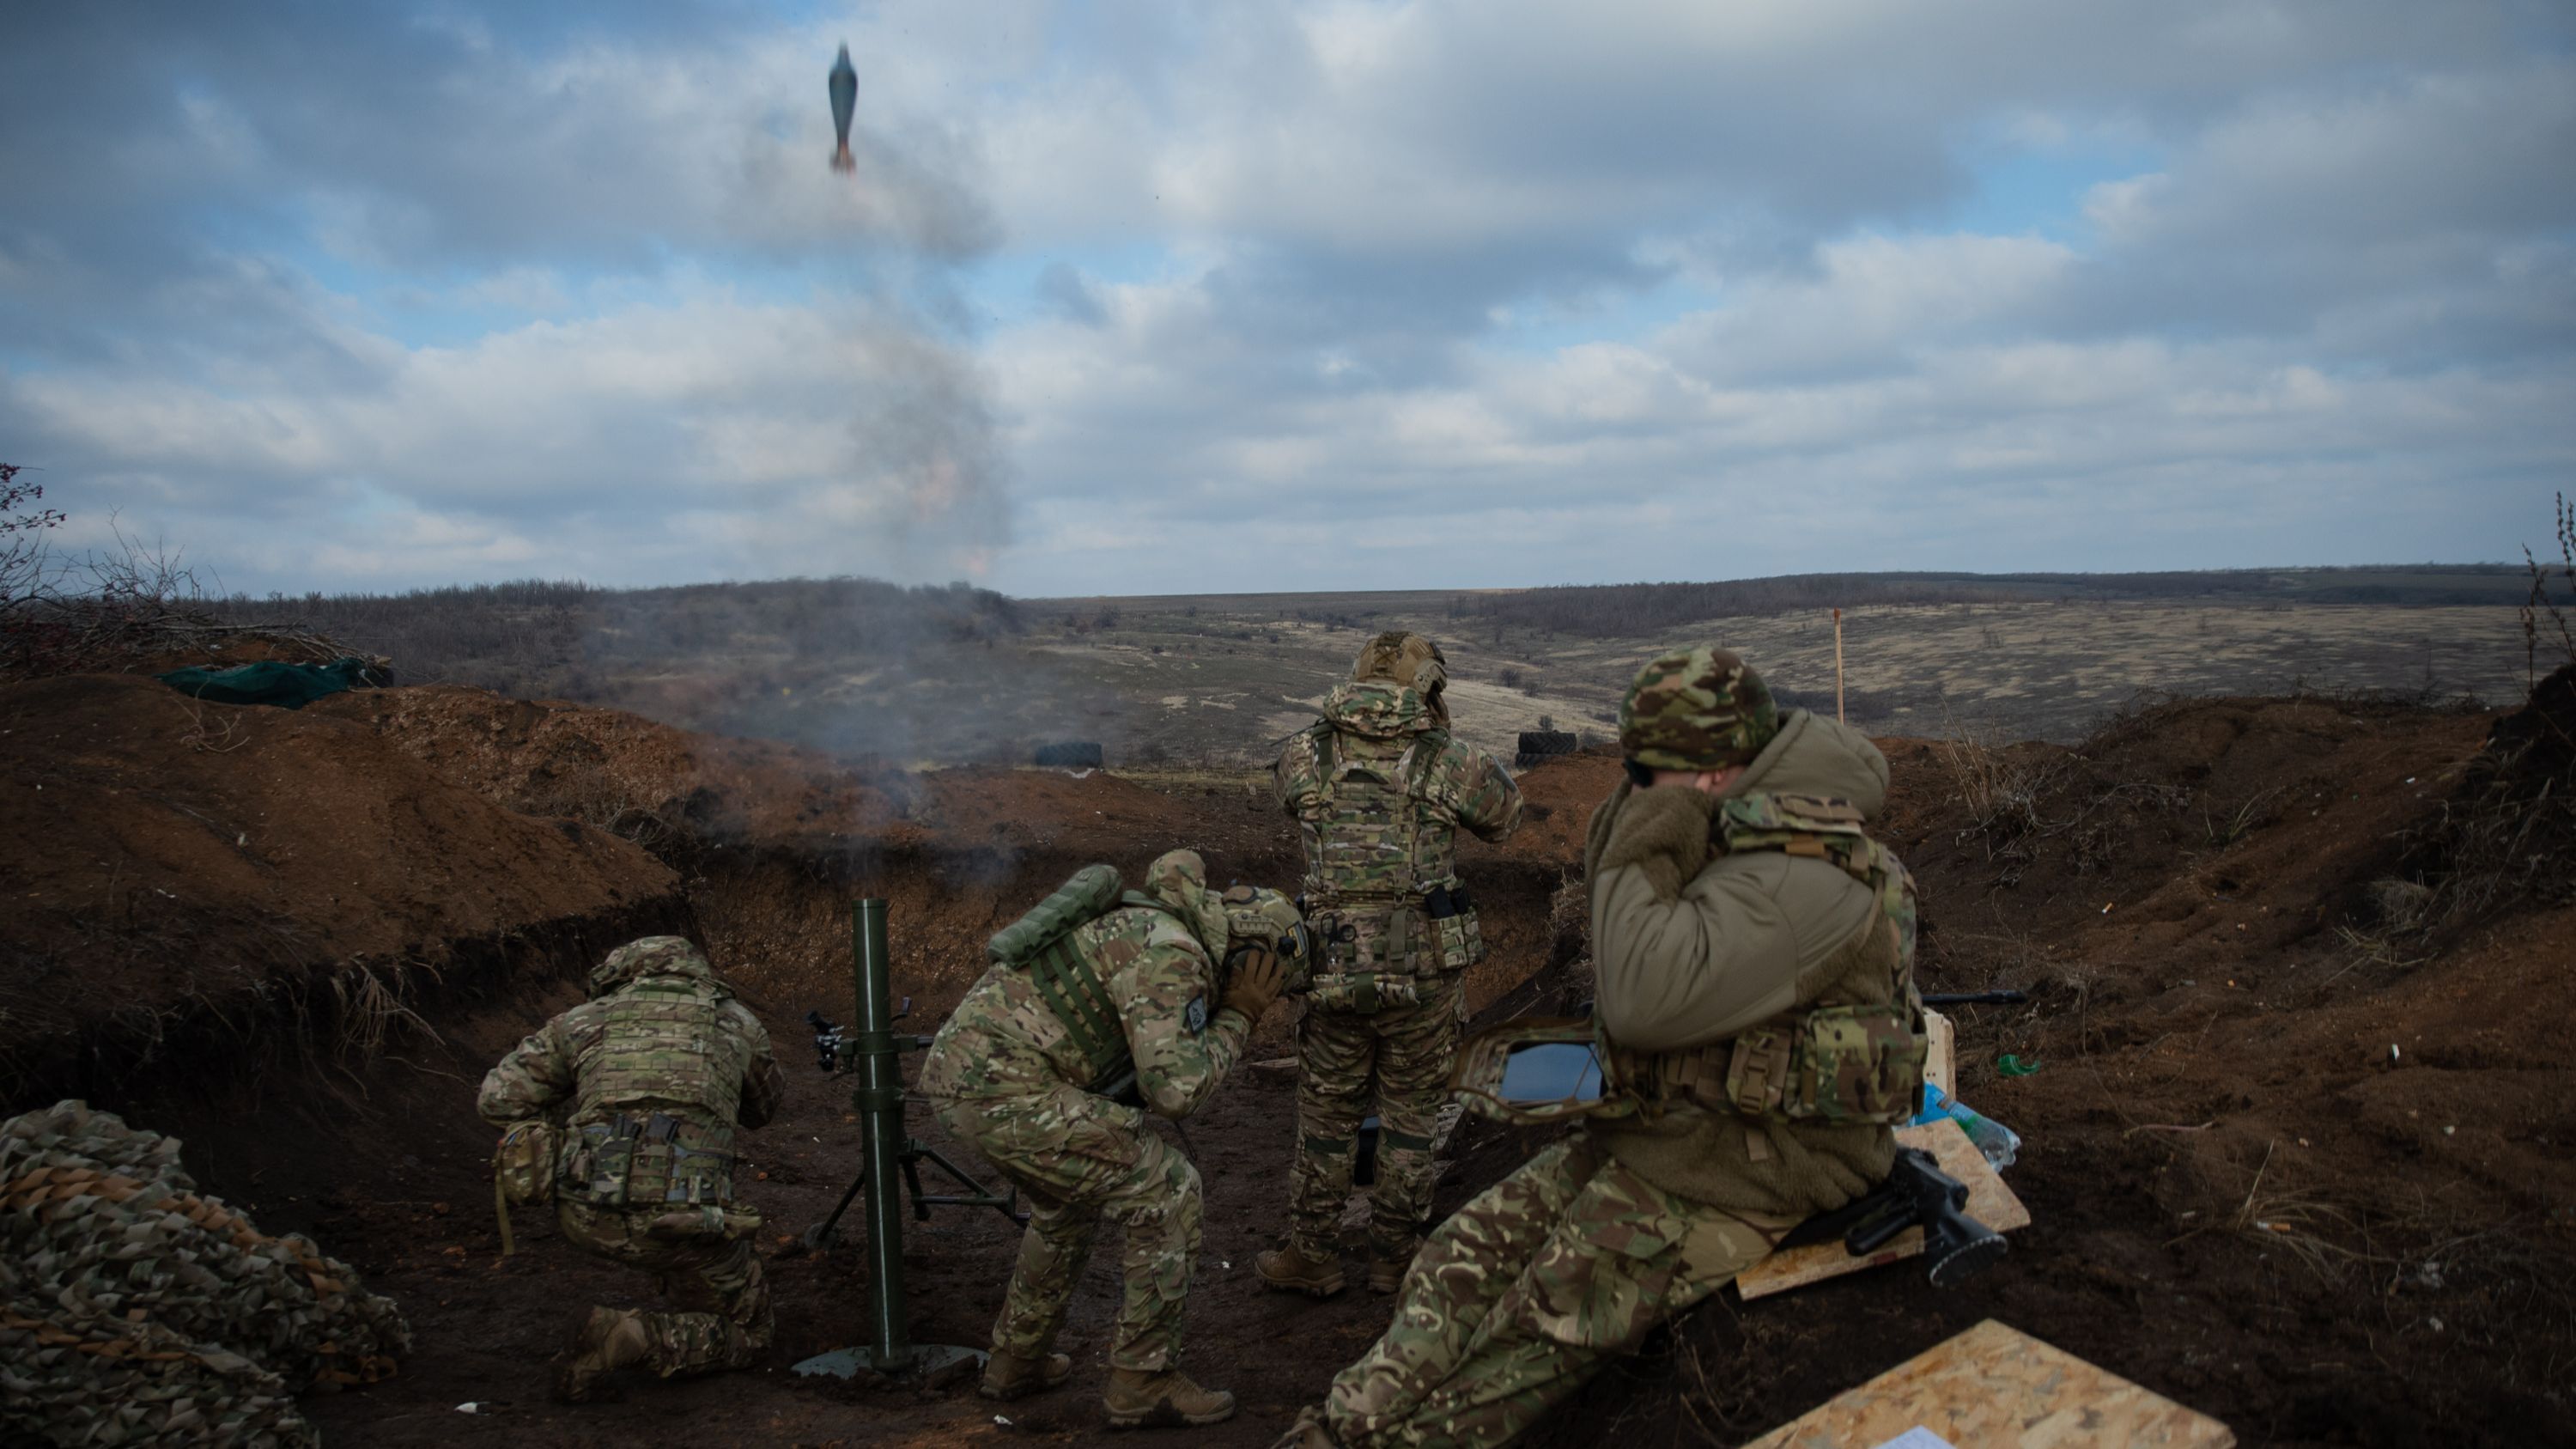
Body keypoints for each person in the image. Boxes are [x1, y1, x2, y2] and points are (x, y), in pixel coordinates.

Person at [1277, 646, 1926, 1448]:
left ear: (1716, 764)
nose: (1640, 788)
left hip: (1760, 1167)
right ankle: (1339, 1428)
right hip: (1675, 1135)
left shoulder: (1810, 872)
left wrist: (1658, 814)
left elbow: (1641, 1003)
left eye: (1652, 770)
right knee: (1459, 1257)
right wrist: (1660, 800)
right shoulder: (1741, 824)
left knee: (1535, 1320)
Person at [917, 849, 1302, 1429]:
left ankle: (1015, 1360)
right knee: (1169, 1191)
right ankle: (1143, 1380)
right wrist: (1241, 1016)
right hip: (1004, 1091)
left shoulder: (1148, 918)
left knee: (1067, 1203)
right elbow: (1176, 1090)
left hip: (970, 1078)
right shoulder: (1173, 950)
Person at [1259, 632, 1523, 1302]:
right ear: (1428, 684)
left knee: (1325, 1117)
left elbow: (1290, 800)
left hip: (1332, 966)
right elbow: (1506, 816)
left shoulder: (1303, 753)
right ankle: (1394, 1257)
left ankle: (1312, 1252)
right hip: (1422, 973)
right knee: (1410, 1117)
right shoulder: (1448, 760)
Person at [476, 935, 785, 1403]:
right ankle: (633, 1338)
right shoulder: (738, 1024)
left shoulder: (580, 1022)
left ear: (621, 973)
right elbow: (763, 1110)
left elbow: (497, 1100)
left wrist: (565, 1126)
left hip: (586, 1213)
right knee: (752, 1333)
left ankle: (661, 1309)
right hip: (685, 1223)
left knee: (683, 1259)